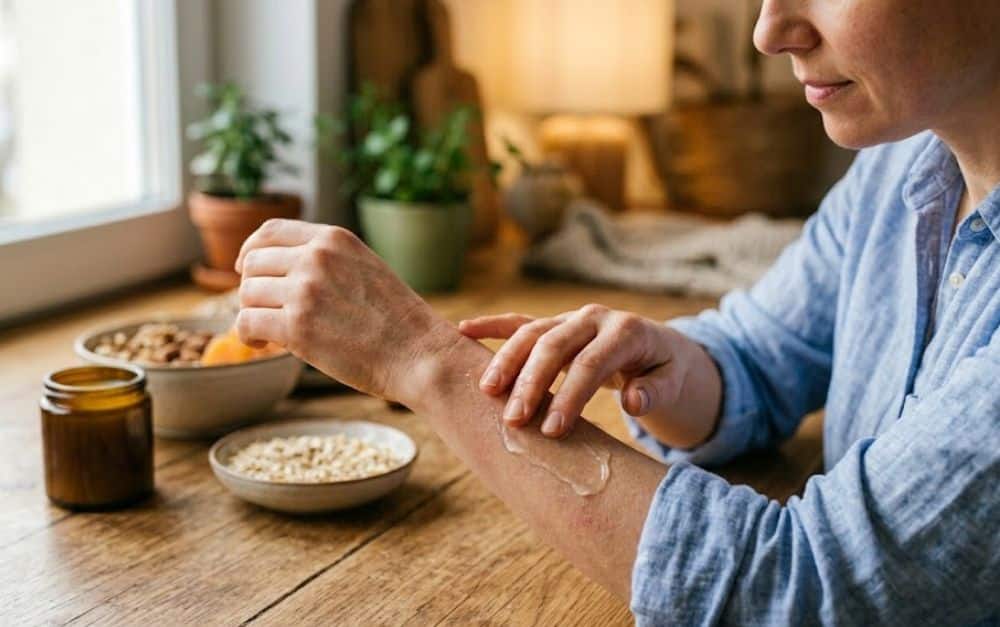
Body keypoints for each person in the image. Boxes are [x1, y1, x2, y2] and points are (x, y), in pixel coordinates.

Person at [232, 0, 1000, 623]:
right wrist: (673, 368)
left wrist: (422, 358)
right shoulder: (901, 165)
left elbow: (798, 591)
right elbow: (764, 350)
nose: (771, 30)